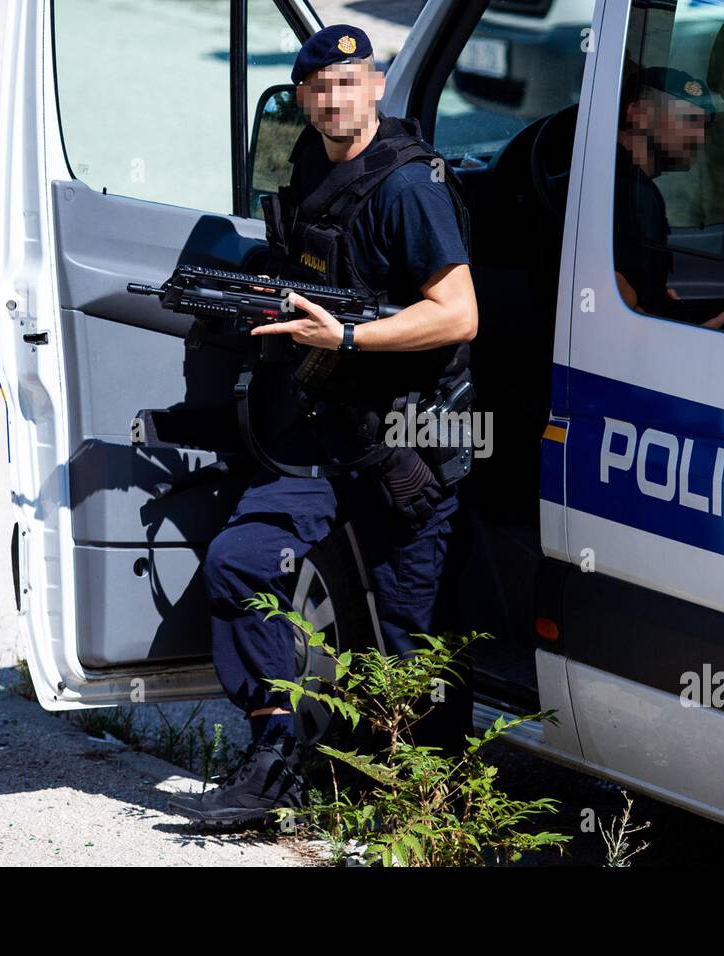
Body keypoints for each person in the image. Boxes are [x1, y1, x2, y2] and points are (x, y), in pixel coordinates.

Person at [167, 25, 479, 829]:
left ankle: (420, 816)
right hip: (322, 434)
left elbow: (458, 314)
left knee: (411, 642)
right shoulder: (309, 163)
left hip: (402, 446)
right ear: (302, 96)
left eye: (349, 83)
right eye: (318, 87)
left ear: (376, 87)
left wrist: (344, 338)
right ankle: (275, 757)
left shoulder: (409, 190)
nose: (334, 100)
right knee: (239, 563)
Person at [613, 66, 724, 329]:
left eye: (704, 126)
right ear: (638, 114)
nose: (700, 138)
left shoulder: (617, 178)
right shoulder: (632, 194)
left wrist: (655, 298)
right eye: (690, 119)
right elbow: (613, 305)